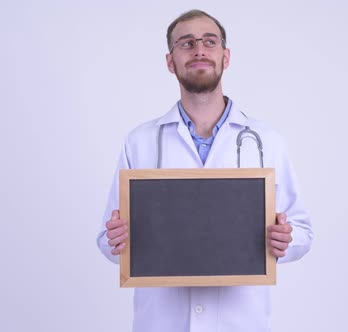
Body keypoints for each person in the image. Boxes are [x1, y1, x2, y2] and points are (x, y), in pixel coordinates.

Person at [97, 9, 313, 332]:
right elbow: (107, 238)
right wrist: (117, 241)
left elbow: (302, 232)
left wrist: (284, 240)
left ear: (225, 56)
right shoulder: (139, 142)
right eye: (186, 43)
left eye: (209, 42)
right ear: (170, 62)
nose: (199, 50)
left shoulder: (267, 141)